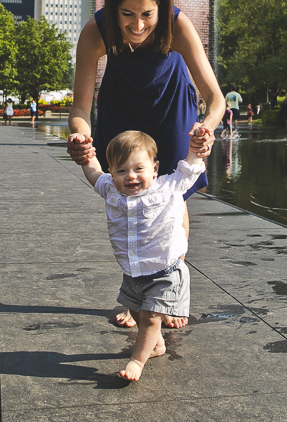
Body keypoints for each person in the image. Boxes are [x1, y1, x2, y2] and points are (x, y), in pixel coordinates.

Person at [68, 0, 224, 331]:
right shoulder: (97, 31)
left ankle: (169, 294)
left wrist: (206, 127)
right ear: (111, 7)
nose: (137, 26)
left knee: (172, 198)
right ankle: (138, 294)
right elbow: (79, 109)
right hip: (122, 104)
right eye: (126, 14)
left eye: (147, 15)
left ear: (161, 8)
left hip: (171, 105)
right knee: (127, 199)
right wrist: (79, 135)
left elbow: (215, 99)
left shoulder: (178, 24)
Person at [77, 129, 205, 381]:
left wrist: (196, 147)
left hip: (164, 272)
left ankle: (137, 360)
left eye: (138, 169)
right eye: (122, 171)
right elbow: (93, 172)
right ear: (112, 173)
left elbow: (189, 169)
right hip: (132, 272)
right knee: (136, 310)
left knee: (149, 318)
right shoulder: (111, 189)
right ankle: (156, 346)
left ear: (154, 168)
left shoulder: (167, 187)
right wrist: (86, 154)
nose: (131, 176)